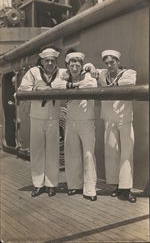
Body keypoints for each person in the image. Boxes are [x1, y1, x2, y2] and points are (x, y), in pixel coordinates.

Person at [18, 48, 66, 197]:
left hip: (53, 117)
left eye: (52, 60)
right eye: (47, 61)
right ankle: (38, 184)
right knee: (37, 151)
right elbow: (22, 89)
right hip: (37, 117)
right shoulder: (33, 72)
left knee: (52, 151)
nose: (50, 63)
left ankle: (51, 185)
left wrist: (90, 68)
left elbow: (78, 72)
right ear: (42, 61)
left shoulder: (62, 73)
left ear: (56, 61)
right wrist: (38, 89)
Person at [96, 49, 137, 203]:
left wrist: (108, 83)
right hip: (109, 118)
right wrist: (89, 68)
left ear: (118, 62)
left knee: (126, 154)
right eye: (106, 63)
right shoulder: (103, 74)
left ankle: (126, 189)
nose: (109, 65)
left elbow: (129, 82)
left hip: (124, 118)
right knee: (112, 153)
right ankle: (116, 186)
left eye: (112, 62)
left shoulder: (129, 73)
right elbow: (92, 70)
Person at [60, 49, 98, 201]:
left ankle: (90, 190)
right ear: (67, 65)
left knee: (88, 155)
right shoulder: (63, 77)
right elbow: (57, 84)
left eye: (77, 62)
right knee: (72, 154)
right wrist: (74, 85)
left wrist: (73, 86)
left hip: (86, 121)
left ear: (81, 65)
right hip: (71, 121)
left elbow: (92, 84)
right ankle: (74, 185)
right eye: (71, 62)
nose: (74, 65)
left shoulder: (88, 75)